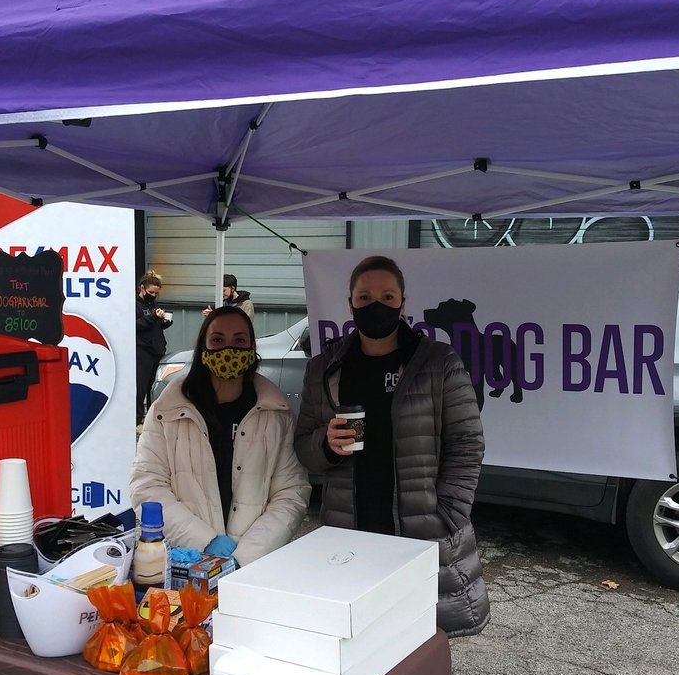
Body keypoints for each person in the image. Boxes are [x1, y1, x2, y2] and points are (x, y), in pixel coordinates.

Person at [294, 255, 489, 636]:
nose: (375, 306)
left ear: (403, 302)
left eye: (387, 296)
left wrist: (448, 511)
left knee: (418, 638)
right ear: (350, 303)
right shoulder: (325, 367)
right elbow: (303, 445)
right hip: (349, 528)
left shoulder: (438, 362)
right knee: (357, 637)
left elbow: (467, 443)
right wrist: (327, 444)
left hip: (419, 529)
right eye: (364, 297)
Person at [131, 305, 310, 565]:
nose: (229, 350)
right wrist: (204, 541)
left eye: (239, 341)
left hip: (251, 568)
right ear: (203, 349)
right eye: (217, 340)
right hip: (184, 562)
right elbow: (147, 486)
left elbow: (290, 493)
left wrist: (245, 556)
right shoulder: (167, 411)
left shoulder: (275, 414)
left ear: (251, 350)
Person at [136, 271, 172, 430]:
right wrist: (153, 317)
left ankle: (152, 418)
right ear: (142, 288)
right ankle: (137, 420)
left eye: (156, 294)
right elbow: (136, 325)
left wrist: (164, 321)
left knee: (154, 386)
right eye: (151, 293)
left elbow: (156, 325)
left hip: (157, 349)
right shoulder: (134, 304)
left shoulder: (153, 304)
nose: (153, 296)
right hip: (142, 350)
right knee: (140, 386)